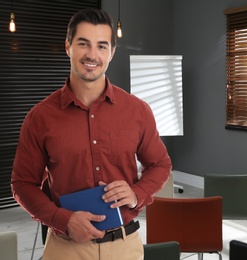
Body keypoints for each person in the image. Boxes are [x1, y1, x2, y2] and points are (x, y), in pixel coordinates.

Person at [10, 8, 172, 260]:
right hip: (65, 248)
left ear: (112, 53)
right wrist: (62, 219)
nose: (92, 55)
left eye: (101, 46)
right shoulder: (39, 117)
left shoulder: (138, 111)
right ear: (68, 47)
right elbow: (22, 184)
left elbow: (160, 164)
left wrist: (136, 193)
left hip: (125, 247)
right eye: (83, 44)